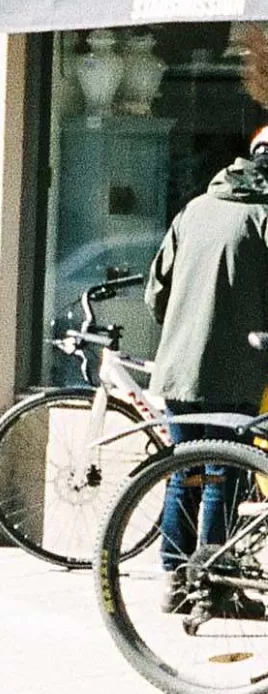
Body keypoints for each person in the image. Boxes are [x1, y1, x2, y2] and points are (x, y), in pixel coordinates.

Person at [144, 128, 268, 572]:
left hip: (179, 367)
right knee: (223, 475)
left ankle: (175, 576)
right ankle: (212, 579)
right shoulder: (264, 217)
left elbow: (155, 292)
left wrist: (184, 327)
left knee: (187, 471)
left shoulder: (194, 210)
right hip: (236, 370)